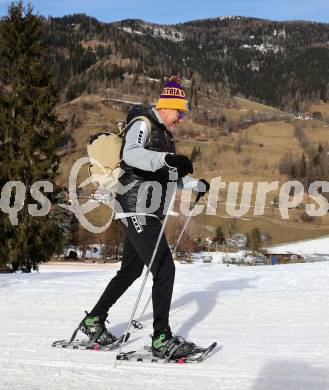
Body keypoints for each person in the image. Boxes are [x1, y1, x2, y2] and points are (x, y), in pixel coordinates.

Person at [77, 76, 210, 359]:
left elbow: (167, 175)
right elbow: (133, 155)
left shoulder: (165, 136)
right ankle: (161, 338)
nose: (182, 118)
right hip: (135, 207)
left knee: (130, 271)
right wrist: (167, 160)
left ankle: (94, 319)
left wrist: (194, 184)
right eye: (180, 112)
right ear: (167, 107)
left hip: (148, 210)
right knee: (165, 269)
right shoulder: (143, 123)